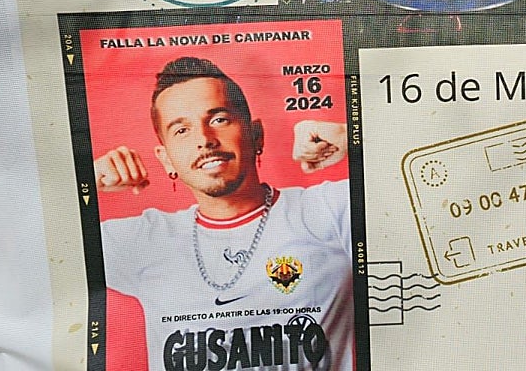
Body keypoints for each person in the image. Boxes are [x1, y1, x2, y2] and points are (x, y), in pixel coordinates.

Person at [94, 56, 354, 371]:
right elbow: (27, 260)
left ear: (256, 134)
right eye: (181, 130)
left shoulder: (326, 211)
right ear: (165, 160)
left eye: (219, 119)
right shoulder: (145, 239)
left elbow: (426, 188)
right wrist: (85, 181)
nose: (204, 140)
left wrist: (350, 136)